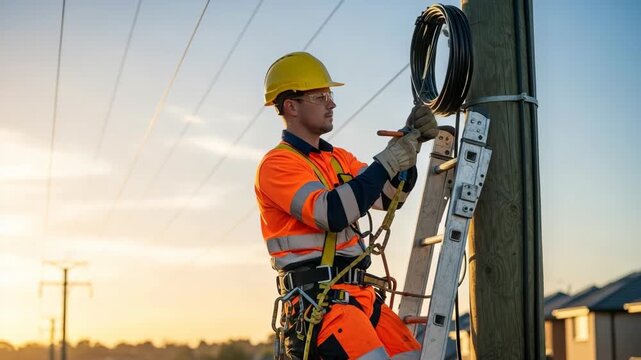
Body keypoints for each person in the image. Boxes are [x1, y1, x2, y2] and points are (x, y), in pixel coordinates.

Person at [255, 52, 438, 359]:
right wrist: (388, 160)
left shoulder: (338, 158)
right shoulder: (277, 164)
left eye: (330, 95)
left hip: (363, 299)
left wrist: (409, 148)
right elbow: (332, 213)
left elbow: (390, 196)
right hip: (323, 304)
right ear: (291, 106)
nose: (332, 103)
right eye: (321, 96)